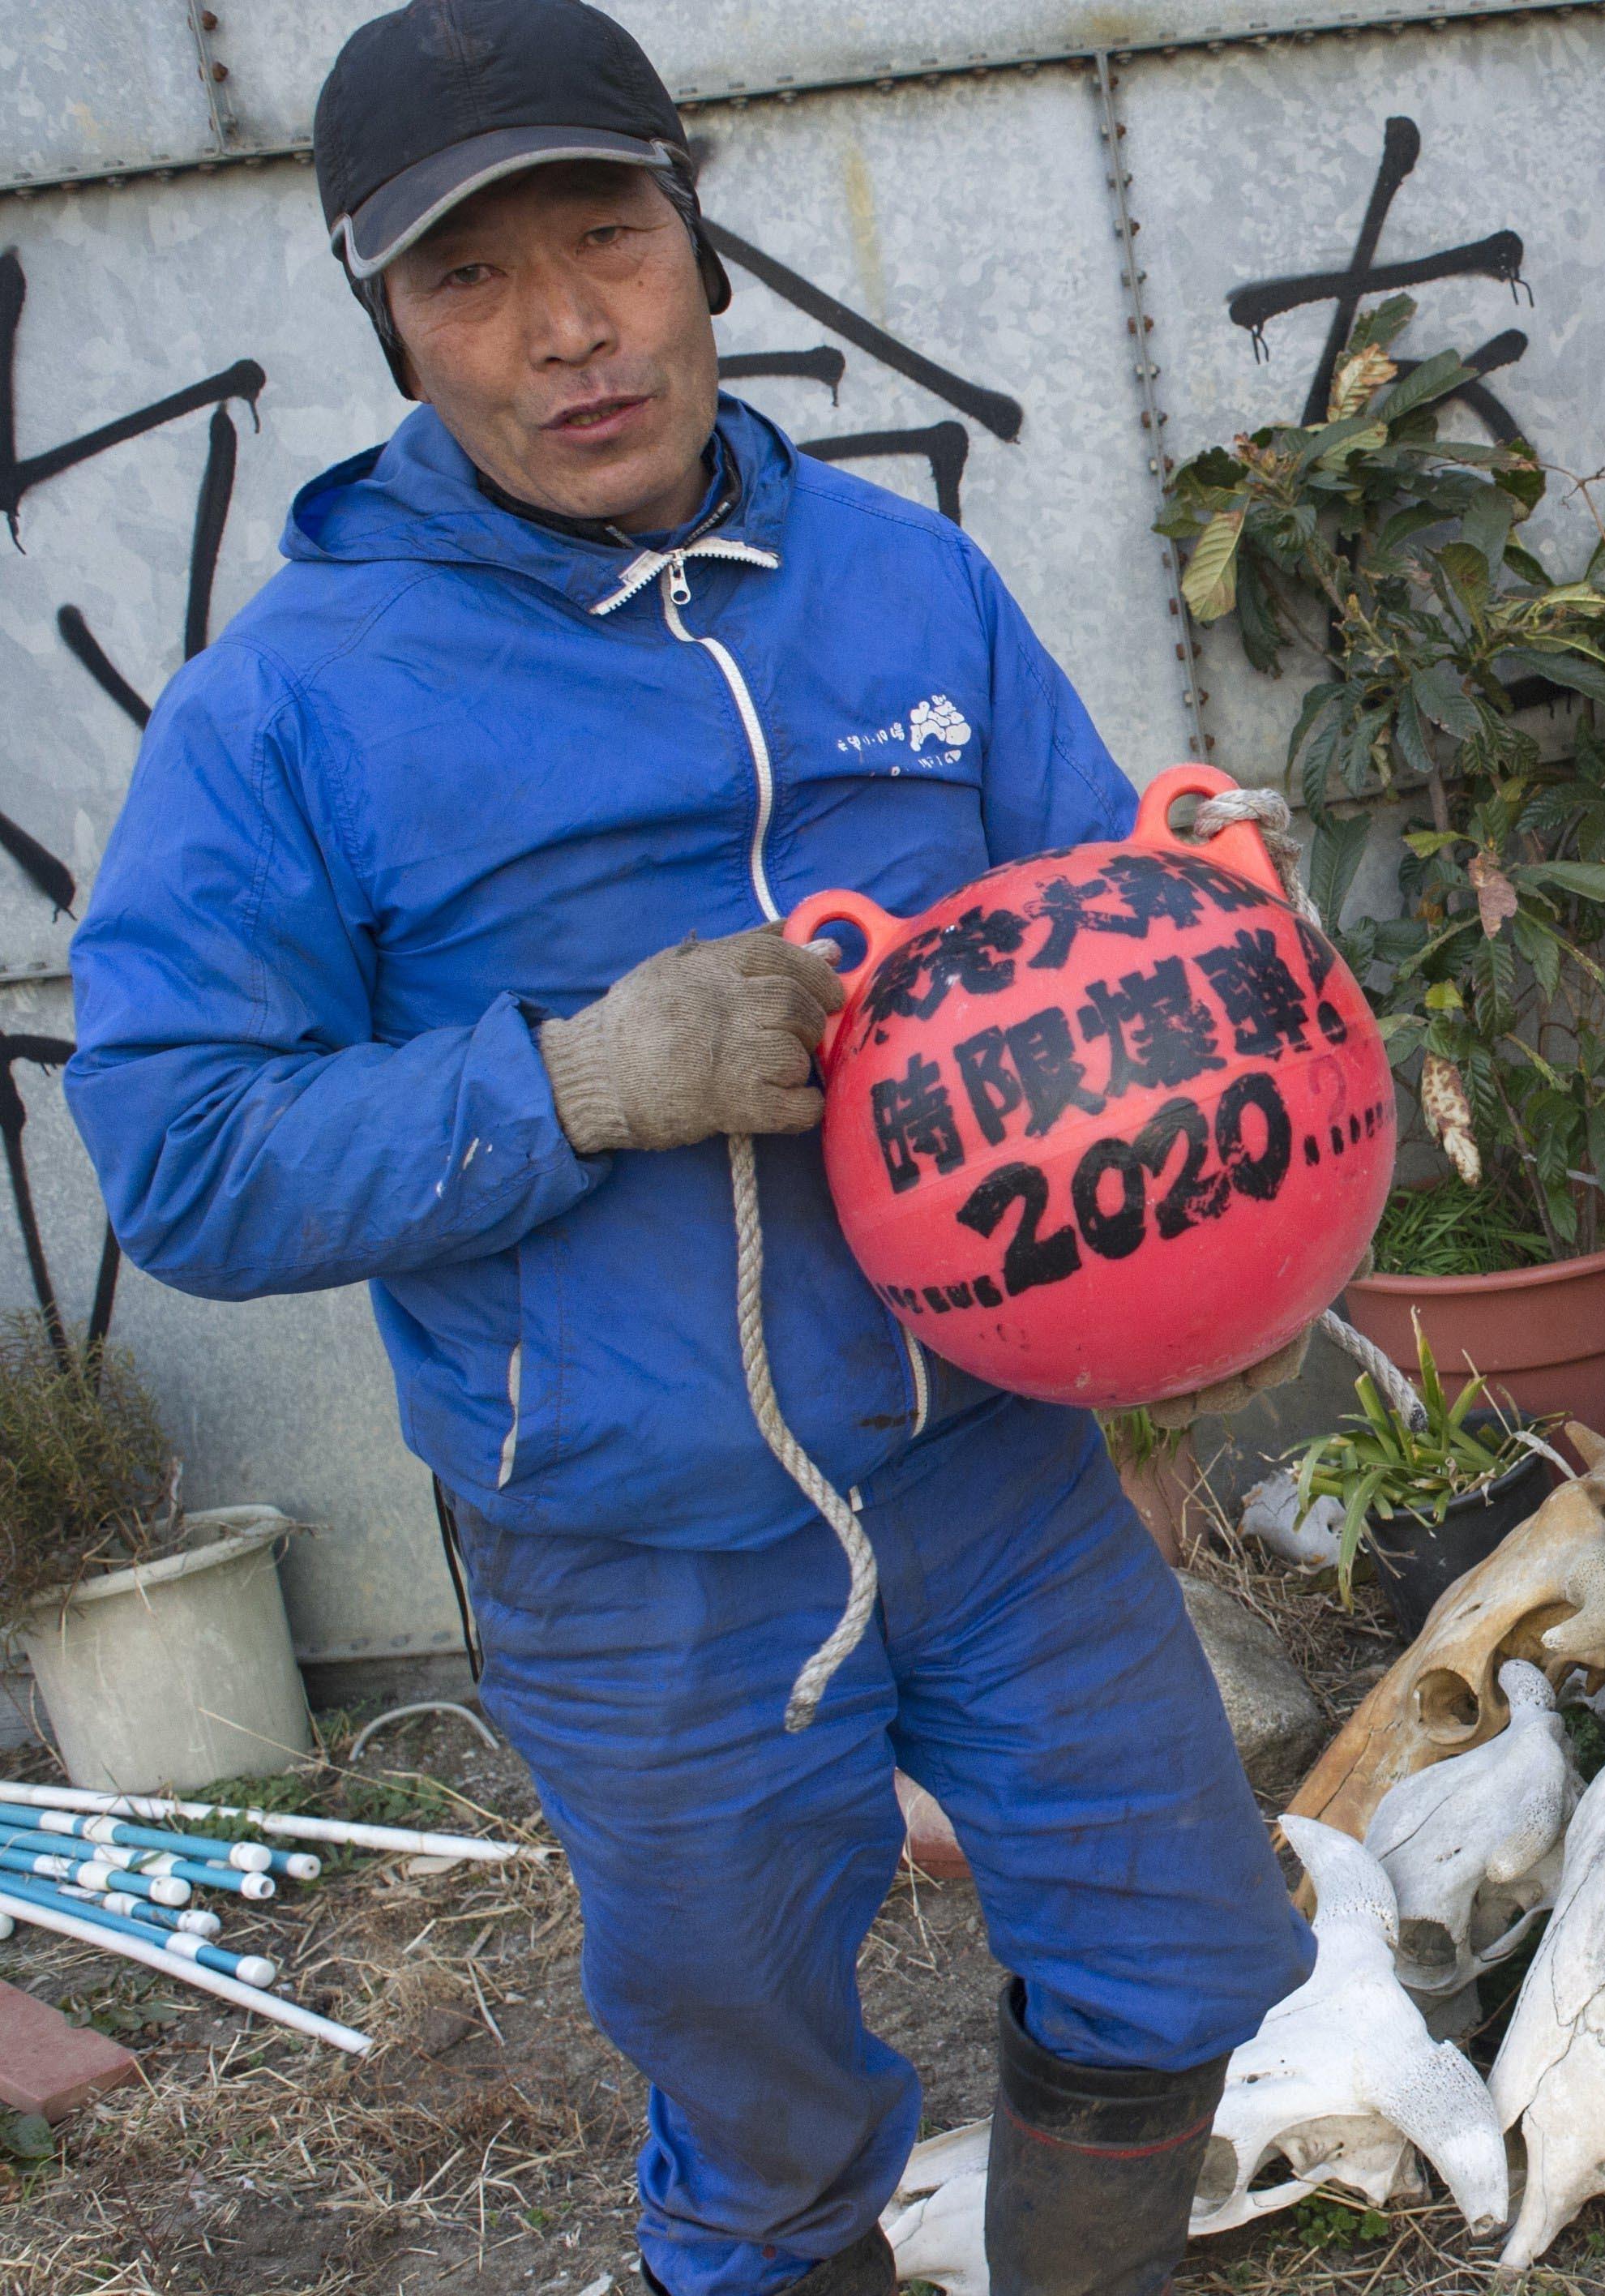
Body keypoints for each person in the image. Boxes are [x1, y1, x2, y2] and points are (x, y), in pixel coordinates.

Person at [61, 5, 1313, 2290]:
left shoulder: (902, 585)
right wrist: (575, 1084)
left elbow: (1086, 940)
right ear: (392, 324)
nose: (566, 330)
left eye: (610, 238)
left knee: (1183, 1951)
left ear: (697, 235)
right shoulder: (296, 708)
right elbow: (181, 1151)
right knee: (759, 2118)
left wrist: (1213, 969)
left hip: (994, 1479)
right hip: (633, 1553)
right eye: (470, 281)